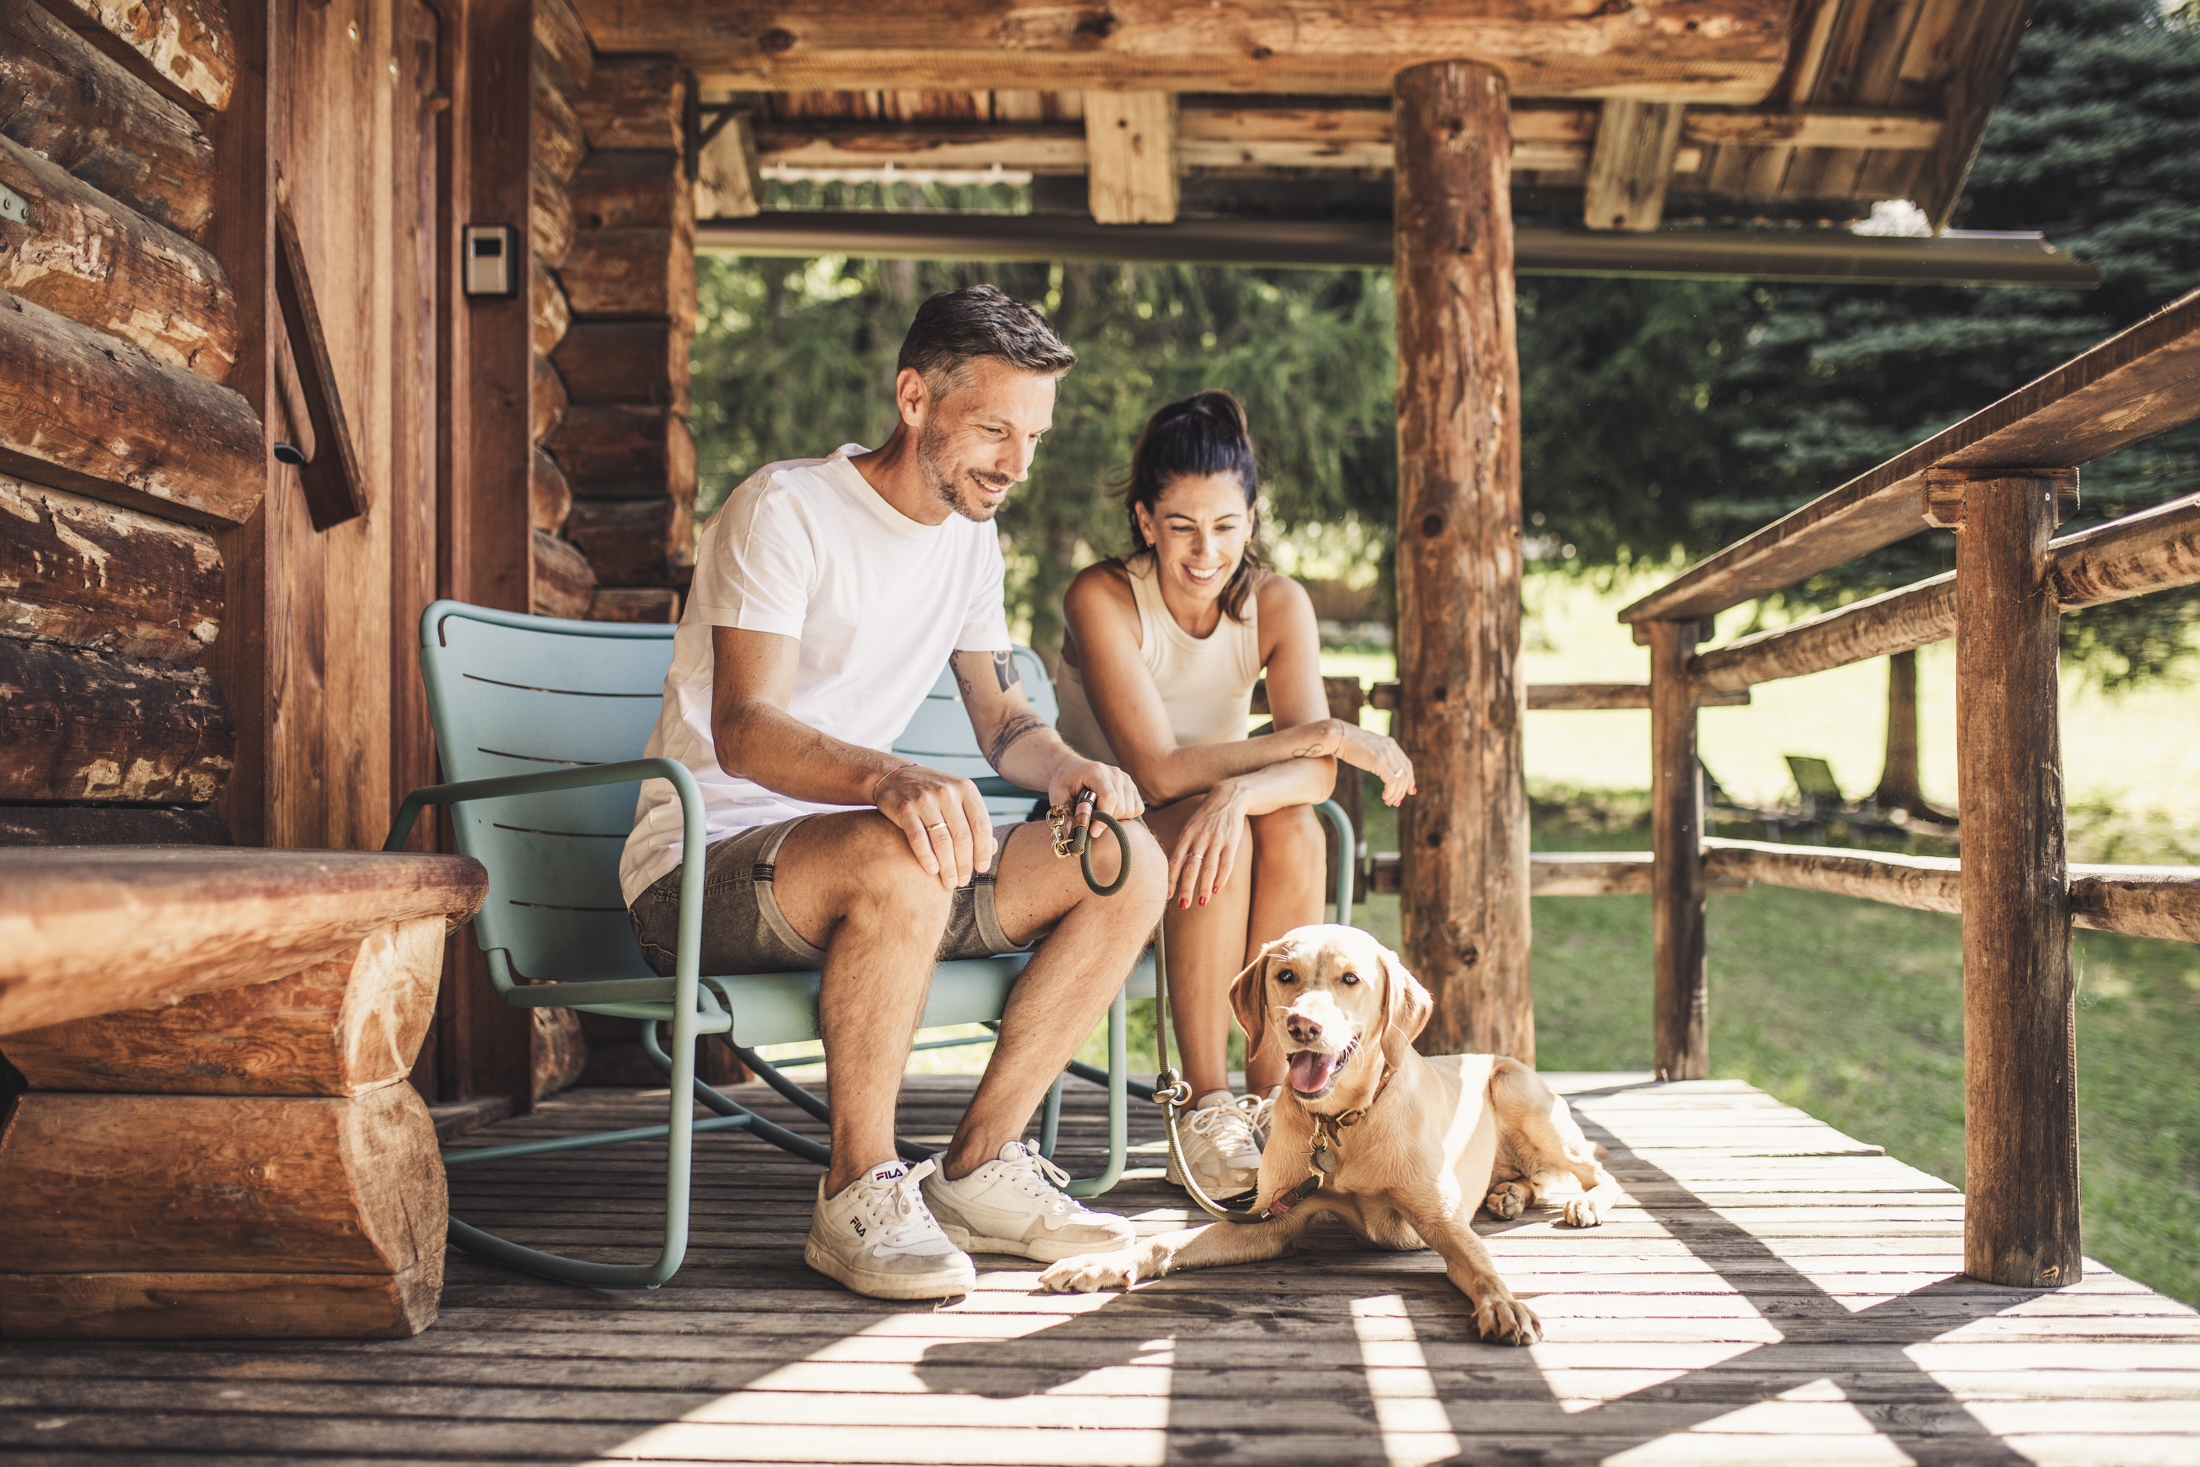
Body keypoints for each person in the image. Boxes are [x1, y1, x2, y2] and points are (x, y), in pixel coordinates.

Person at [619, 285, 1167, 1302]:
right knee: (897, 850)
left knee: (1127, 865)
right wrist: (892, 776)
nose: (1016, 463)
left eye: (1035, 436)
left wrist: (1069, 770)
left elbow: (1002, 721)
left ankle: (979, 1168)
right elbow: (744, 728)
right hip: (705, 871)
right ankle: (856, 1190)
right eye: (995, 428)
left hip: (875, 870)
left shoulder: (967, 536)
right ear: (914, 398)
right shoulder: (784, 509)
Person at [1054, 390, 1414, 1195]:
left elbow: (1313, 780)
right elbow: (1153, 771)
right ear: (1146, 520)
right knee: (1236, 824)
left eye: (1224, 525)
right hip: (1095, 832)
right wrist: (1328, 733)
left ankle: (1278, 1095)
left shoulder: (1276, 603)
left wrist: (1243, 792)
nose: (1202, 551)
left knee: (1295, 827)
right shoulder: (1103, 596)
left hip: (1206, 819)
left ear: (1251, 519)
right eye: (1180, 526)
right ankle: (1207, 1100)